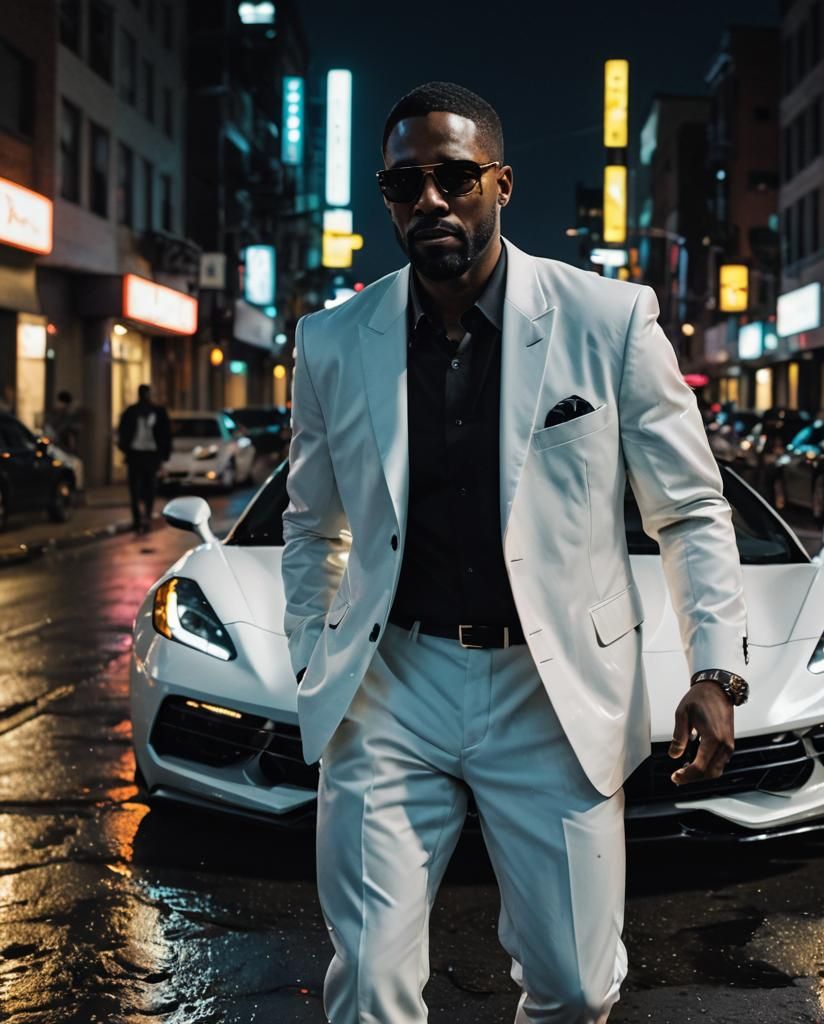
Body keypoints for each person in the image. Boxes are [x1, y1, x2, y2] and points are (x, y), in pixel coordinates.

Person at [281, 82, 749, 1024]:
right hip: (389, 684)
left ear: (501, 183)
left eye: (454, 178)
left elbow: (691, 507)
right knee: (368, 985)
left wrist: (715, 670)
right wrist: (310, 658)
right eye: (405, 184)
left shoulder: (608, 320)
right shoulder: (333, 341)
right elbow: (311, 524)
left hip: (551, 684)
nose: (431, 202)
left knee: (575, 989)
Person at [116, 384, 170, 533]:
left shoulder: (157, 412)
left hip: (149, 454)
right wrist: (125, 447)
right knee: (136, 488)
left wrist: (163, 455)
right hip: (136, 454)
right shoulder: (132, 412)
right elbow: (123, 432)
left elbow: (164, 434)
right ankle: (139, 518)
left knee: (149, 487)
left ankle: (145, 516)